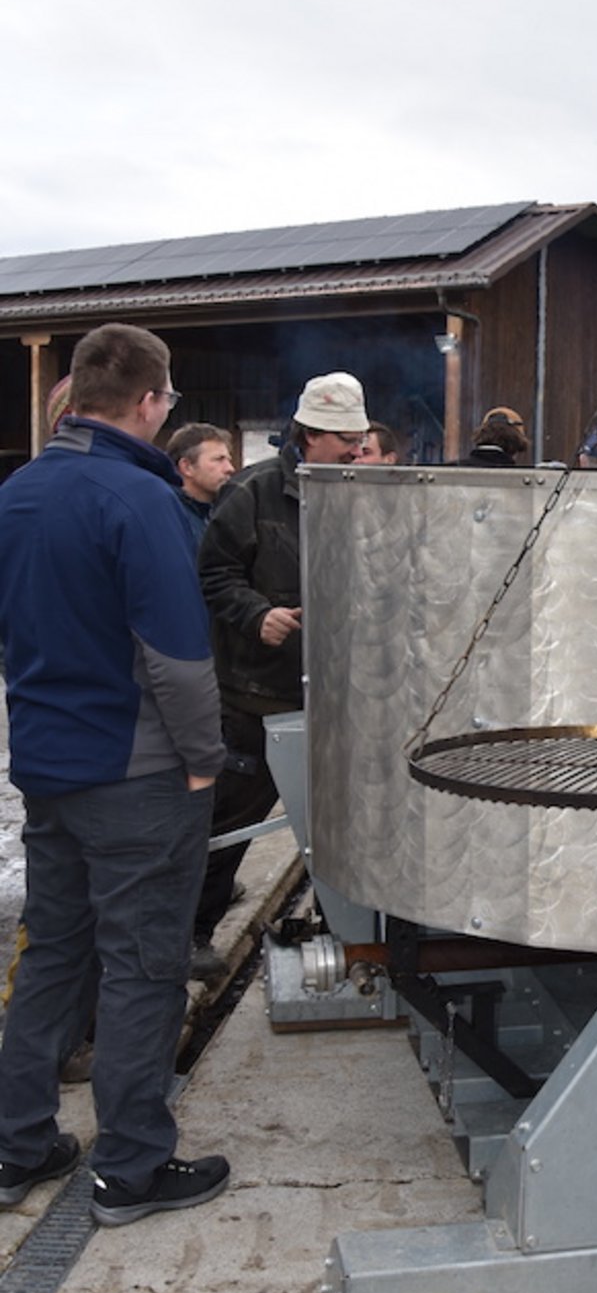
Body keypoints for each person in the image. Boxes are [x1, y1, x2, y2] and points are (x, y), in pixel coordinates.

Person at [0, 322, 230, 1224]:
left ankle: (17, 1144)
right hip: (138, 776)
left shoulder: (18, 491)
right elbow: (178, 657)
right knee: (142, 964)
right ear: (148, 401)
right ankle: (132, 1166)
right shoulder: (142, 500)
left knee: (55, 952)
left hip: (49, 767)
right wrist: (204, 759)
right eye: (168, 399)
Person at [193, 372, 368, 968]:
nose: (356, 451)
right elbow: (214, 574)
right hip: (257, 694)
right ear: (310, 434)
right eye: (346, 440)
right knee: (231, 820)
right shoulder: (252, 492)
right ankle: (191, 933)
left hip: (336, 693)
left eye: (359, 440)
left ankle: (346, 931)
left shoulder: (357, 490)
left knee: (339, 821)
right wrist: (256, 614)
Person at [166, 422, 236, 548]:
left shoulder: (216, 515)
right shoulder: (168, 517)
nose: (230, 468)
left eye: (228, 460)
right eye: (219, 460)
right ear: (187, 467)